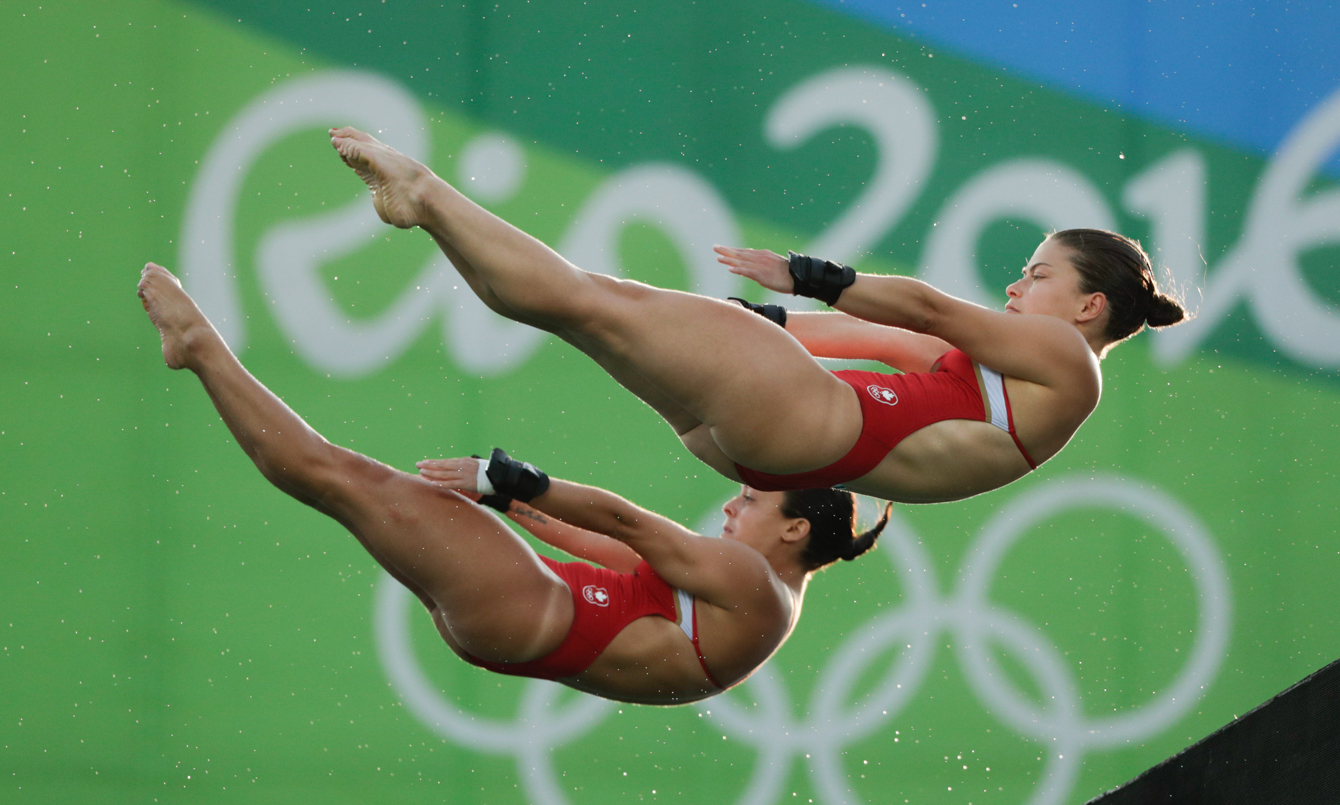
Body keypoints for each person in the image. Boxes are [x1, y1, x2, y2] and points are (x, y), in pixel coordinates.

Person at [136, 262, 887, 704]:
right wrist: (526, 511)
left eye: (753, 499)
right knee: (346, 483)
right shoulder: (758, 600)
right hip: (525, 615)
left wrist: (512, 479)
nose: (733, 499)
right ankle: (201, 350)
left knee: (341, 478)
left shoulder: (755, 585)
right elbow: (619, 553)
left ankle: (199, 349)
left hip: (534, 607)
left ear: (794, 528)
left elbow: (631, 525)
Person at [329, 127, 1187, 503]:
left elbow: (925, 305)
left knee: (590, 298)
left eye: (1033, 276)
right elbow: (890, 335)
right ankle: (427, 212)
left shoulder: (1069, 364)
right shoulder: (1024, 375)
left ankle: (427, 192)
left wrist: (810, 275)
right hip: (770, 439)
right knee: (582, 310)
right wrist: (752, 320)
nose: (1013, 289)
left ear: (1088, 305)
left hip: (812, 419)